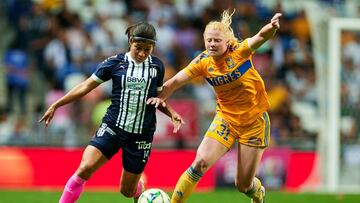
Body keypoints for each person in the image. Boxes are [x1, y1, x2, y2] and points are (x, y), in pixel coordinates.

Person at [39, 22, 184, 203]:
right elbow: (86, 86)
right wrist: (57, 104)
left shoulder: (157, 67)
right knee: (85, 167)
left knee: (127, 191)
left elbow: (156, 99)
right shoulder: (115, 63)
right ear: (130, 41)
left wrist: (171, 113)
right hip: (113, 126)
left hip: (141, 134)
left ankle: (139, 185)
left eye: (147, 49)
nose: (142, 53)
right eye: (138, 47)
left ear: (153, 47)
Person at [147, 10, 282, 203]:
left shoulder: (240, 52)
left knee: (243, 185)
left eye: (217, 40)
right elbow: (176, 81)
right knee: (199, 162)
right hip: (226, 119)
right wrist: (157, 98)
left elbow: (259, 37)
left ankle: (257, 191)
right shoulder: (203, 62)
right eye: (209, 40)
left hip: (254, 123)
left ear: (227, 42)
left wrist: (272, 27)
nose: (212, 44)